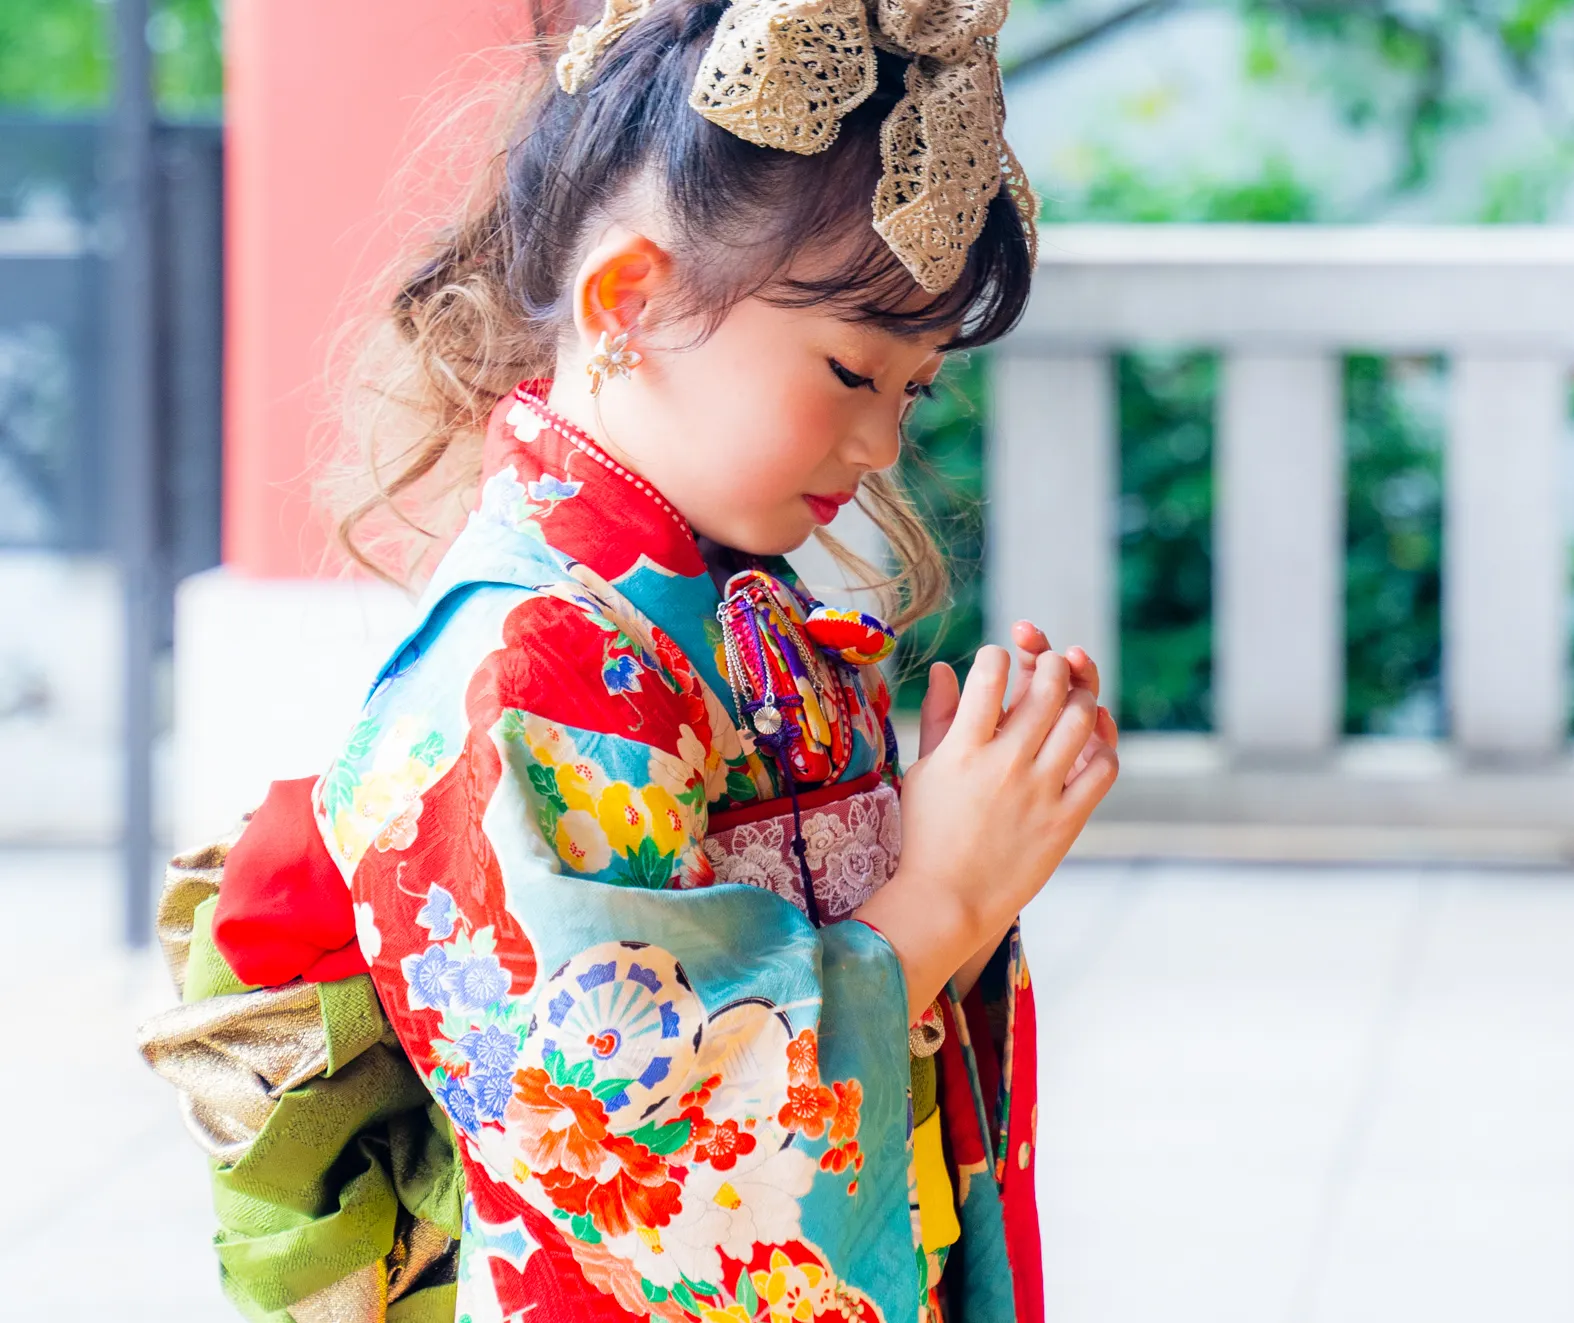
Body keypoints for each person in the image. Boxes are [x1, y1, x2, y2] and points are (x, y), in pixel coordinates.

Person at [137, 2, 1118, 1321]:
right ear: (628, 301)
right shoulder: (536, 661)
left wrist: (973, 829)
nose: (885, 441)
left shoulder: (727, 610)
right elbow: (631, 1139)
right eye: (851, 371)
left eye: (916, 386)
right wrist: (942, 892)